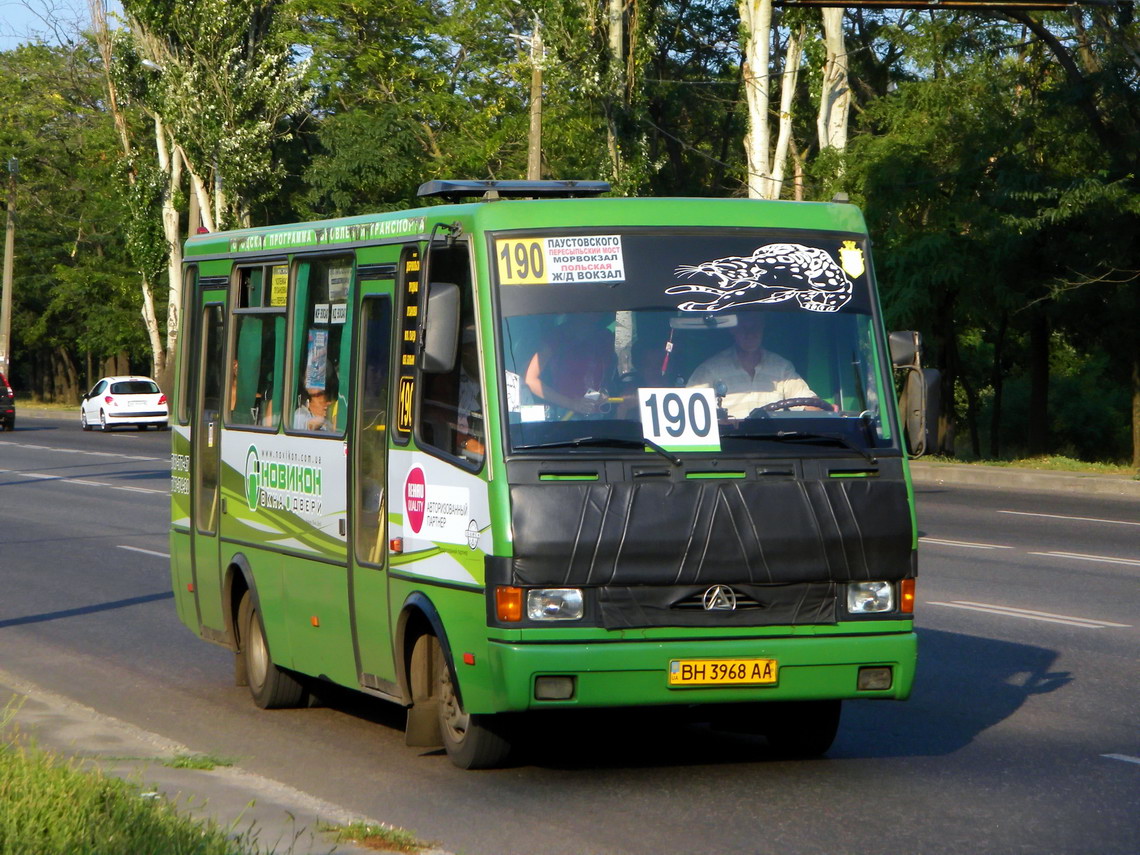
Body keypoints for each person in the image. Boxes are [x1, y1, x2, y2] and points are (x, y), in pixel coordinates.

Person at [686, 313, 820, 418]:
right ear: (733, 330)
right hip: (727, 448)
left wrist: (822, 410)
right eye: (744, 328)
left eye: (755, 327)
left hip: (775, 447)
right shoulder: (710, 370)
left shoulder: (781, 368)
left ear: (763, 327)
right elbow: (689, 410)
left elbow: (807, 402)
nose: (750, 334)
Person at [524, 313, 616, 417]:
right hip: (564, 416)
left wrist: (603, 393)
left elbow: (605, 377)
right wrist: (572, 404)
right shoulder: (557, 336)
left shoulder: (604, 337)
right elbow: (531, 380)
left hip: (598, 415)